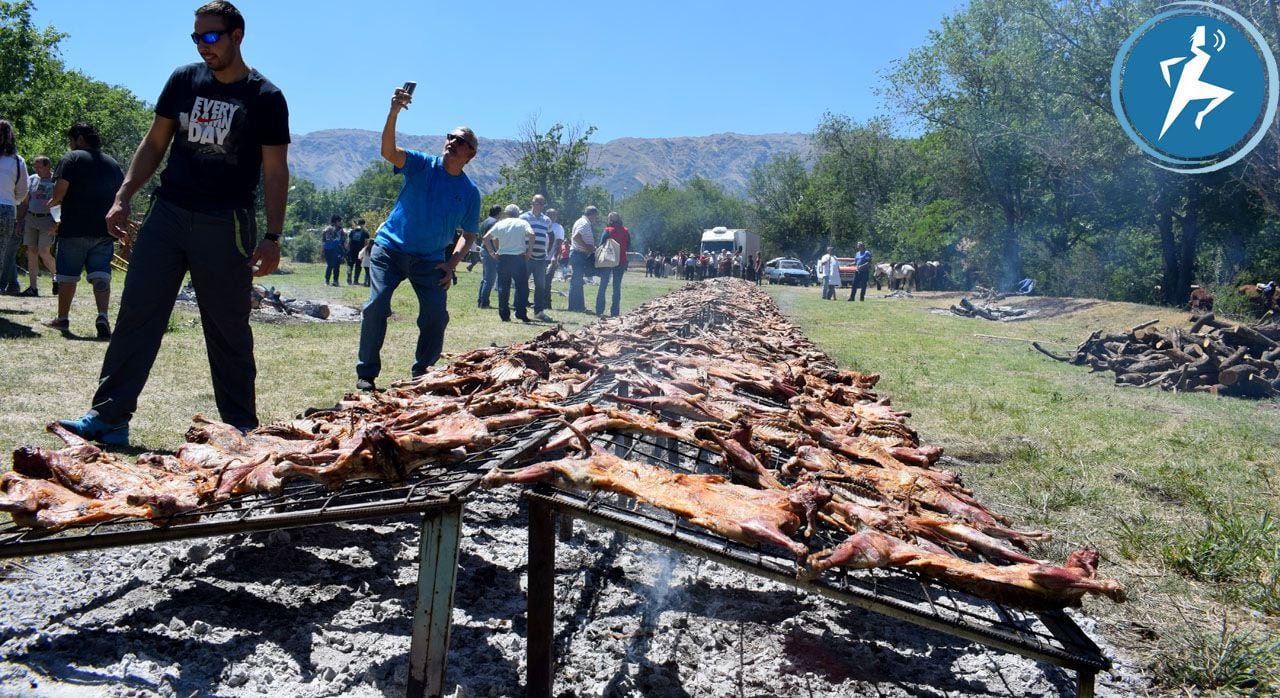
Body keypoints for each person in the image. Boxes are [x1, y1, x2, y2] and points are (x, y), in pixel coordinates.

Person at [58, 0, 289, 445]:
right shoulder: (184, 80)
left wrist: (273, 236)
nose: (203, 46)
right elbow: (154, 143)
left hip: (227, 223)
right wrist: (123, 196)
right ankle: (109, 419)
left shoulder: (266, 97)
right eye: (196, 37)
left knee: (227, 328)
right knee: (137, 314)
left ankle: (240, 427)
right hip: (168, 214)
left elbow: (276, 172)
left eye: (210, 36)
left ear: (237, 35)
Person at [354, 87, 480, 392]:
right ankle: (366, 375)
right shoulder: (422, 164)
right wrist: (394, 111)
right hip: (389, 249)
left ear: (470, 153)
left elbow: (469, 234)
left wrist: (451, 264)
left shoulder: (470, 193)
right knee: (376, 306)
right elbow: (389, 152)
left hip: (430, 260)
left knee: (436, 315)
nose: (452, 142)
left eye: (460, 140)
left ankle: (423, 373)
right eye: (450, 137)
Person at [42, 123, 125, 337]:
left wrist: (54, 201)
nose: (70, 145)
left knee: (68, 276)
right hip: (104, 230)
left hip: (74, 228)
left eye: (71, 140)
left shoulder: (72, 158)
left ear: (79, 139)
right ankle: (103, 315)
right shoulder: (112, 163)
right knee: (100, 275)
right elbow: (122, 195)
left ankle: (62, 319)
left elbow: (61, 187)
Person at [484, 203, 532, 322]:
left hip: (503, 258)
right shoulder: (523, 223)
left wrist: (492, 253)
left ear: (506, 213)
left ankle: (504, 315)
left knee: (503, 288)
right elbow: (532, 234)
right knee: (522, 287)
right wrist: (529, 253)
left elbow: (486, 238)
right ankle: (521, 313)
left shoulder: (500, 224)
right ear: (517, 213)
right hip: (518, 258)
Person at [18, 155, 57, 296]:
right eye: (35, 166)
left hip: (48, 220)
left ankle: (55, 277)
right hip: (31, 218)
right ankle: (33, 288)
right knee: (31, 252)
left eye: (39, 166)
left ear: (47, 166)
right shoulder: (32, 179)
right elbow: (25, 202)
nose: (36, 169)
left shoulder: (55, 181)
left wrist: (56, 223)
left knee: (44, 252)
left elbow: (60, 203)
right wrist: (20, 220)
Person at [0, 120, 29, 295]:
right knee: (1, 252)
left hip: (7, 207)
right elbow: (22, 191)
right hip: (6, 209)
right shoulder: (18, 161)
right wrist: (11, 200)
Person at [521, 194, 554, 322]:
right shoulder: (524, 217)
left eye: (542, 203)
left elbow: (551, 235)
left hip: (541, 257)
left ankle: (539, 311)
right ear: (532, 203)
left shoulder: (546, 220)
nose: (540, 205)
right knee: (523, 284)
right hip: (526, 256)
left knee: (541, 285)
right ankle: (520, 309)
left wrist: (548, 250)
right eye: (538, 202)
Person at [595, 211, 630, 317]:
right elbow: (628, 246)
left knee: (603, 285)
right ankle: (615, 312)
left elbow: (601, 244)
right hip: (621, 260)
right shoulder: (626, 231)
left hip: (608, 260)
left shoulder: (608, 230)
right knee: (616, 287)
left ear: (609, 220)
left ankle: (600, 310)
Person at [568, 205, 598, 312]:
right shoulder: (584, 223)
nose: (596, 219)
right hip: (578, 254)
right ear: (592, 215)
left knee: (578, 281)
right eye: (595, 216)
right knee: (576, 282)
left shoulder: (582, 222)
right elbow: (576, 236)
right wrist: (587, 247)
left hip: (579, 254)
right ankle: (575, 307)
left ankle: (578, 306)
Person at [475, 204, 501, 308]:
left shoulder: (485, 221)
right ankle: (484, 302)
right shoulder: (494, 222)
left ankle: (480, 300)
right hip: (489, 252)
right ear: (498, 213)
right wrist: (496, 251)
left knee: (485, 278)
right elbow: (494, 239)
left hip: (483, 250)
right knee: (490, 278)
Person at [321, 214, 344, 286]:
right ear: (337, 221)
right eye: (339, 221)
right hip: (336, 249)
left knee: (329, 265)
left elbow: (323, 241)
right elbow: (343, 240)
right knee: (337, 265)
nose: (340, 222)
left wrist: (322, 250)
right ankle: (335, 281)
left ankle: (326, 280)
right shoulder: (340, 229)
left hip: (327, 249)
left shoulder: (326, 229)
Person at [345, 217, 368, 285]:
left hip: (351, 250)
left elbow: (349, 241)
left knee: (350, 265)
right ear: (363, 224)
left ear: (357, 223)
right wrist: (365, 251)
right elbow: (366, 243)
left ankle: (349, 278)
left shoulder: (352, 231)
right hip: (360, 251)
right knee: (358, 266)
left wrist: (348, 249)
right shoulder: (364, 232)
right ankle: (355, 280)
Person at [545, 207, 564, 282]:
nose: (552, 217)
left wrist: (555, 257)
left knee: (547, 282)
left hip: (550, 259)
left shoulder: (558, 227)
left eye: (554, 215)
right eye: (550, 215)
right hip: (539, 257)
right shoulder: (542, 225)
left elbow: (559, 244)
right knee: (539, 282)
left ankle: (546, 294)